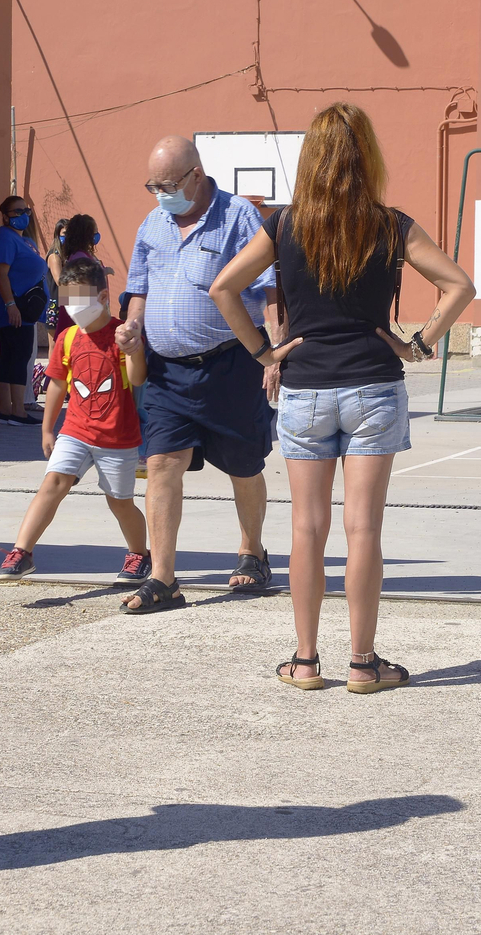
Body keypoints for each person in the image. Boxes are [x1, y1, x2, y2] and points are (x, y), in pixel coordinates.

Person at [211, 103, 474, 691]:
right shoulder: (390, 224)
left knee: (306, 529)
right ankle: (363, 663)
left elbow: (223, 287)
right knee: (364, 530)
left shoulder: (282, 225)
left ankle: (305, 662)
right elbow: (460, 284)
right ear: (367, 157)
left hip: (304, 389)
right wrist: (419, 345)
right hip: (373, 386)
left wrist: (263, 353)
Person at [116, 136, 283, 612]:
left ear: (196, 175)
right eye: (153, 185)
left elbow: (270, 288)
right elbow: (139, 289)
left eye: (167, 184)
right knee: (163, 464)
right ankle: (164, 578)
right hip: (169, 372)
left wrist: (273, 354)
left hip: (231, 363)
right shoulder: (153, 223)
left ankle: (252, 551)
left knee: (244, 465)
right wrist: (132, 328)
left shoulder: (239, 217)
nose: (161, 194)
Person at [0, 259, 152, 584]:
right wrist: (47, 428)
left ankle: (139, 554)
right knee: (53, 483)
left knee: (120, 503)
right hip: (75, 431)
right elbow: (57, 383)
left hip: (117, 438)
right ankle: (21, 553)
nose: (75, 307)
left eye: (82, 299)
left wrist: (134, 350)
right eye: (69, 300)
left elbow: (137, 380)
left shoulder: (121, 335)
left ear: (104, 297)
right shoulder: (67, 338)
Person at [0, 195, 48, 425]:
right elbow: (1, 273)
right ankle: (17, 412)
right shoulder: (4, 237)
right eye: (17, 211)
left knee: (10, 355)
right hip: (15, 306)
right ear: (5, 216)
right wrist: (10, 305)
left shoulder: (25, 240)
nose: (23, 215)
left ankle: (6, 411)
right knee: (19, 357)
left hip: (23, 308)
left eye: (26, 210)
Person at [47, 214, 111, 337]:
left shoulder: (83, 255)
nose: (97, 235)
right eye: (94, 232)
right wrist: (99, 301)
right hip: (81, 321)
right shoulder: (79, 257)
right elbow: (68, 293)